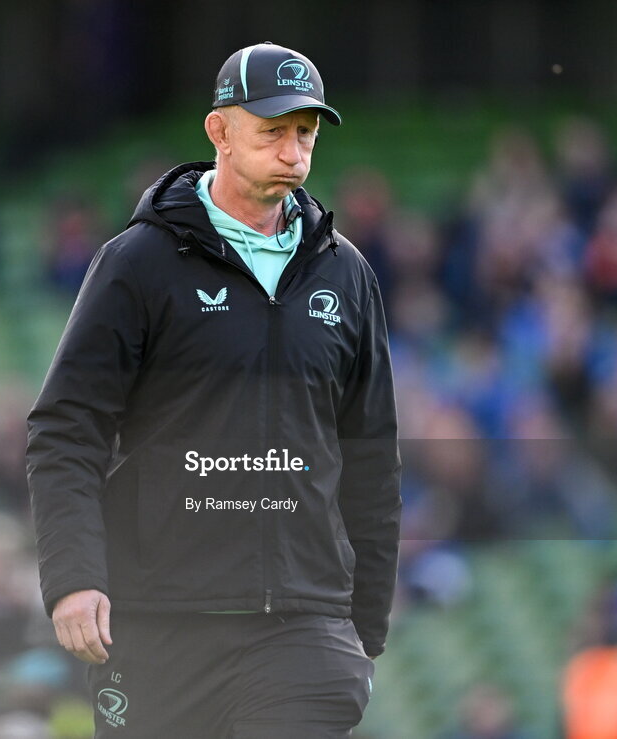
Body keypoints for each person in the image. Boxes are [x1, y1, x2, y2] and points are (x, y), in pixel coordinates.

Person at [27, 42, 402, 738]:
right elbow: (65, 430)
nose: (293, 152)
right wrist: (75, 576)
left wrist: (363, 627)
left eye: (305, 135)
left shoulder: (346, 275)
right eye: (273, 131)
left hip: (303, 627)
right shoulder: (135, 263)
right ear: (219, 132)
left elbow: (371, 455)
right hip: (156, 623)